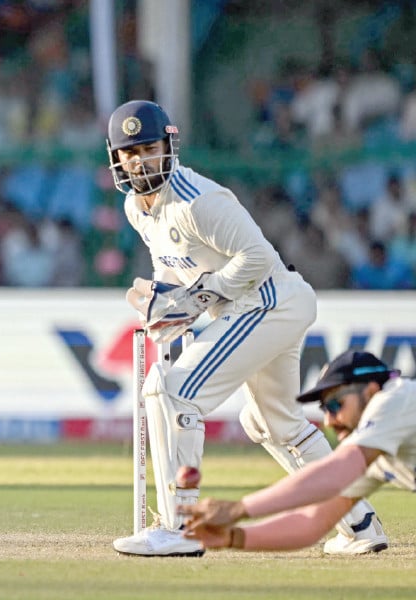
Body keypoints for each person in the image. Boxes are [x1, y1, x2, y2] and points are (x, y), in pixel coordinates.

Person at [105, 100, 386, 557]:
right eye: (129, 152)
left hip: (267, 300)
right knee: (272, 424)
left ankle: (179, 527)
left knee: (170, 390)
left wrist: (200, 297)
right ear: (116, 159)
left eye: (149, 148)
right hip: (259, 306)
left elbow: (256, 259)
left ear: (168, 147)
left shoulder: (200, 200)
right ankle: (360, 524)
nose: (140, 161)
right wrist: (167, 305)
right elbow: (172, 270)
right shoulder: (137, 208)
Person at [179, 350, 408, 553]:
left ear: (370, 392)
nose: (328, 421)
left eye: (335, 405)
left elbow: (333, 472)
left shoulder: (395, 399)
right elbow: (312, 523)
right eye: (324, 409)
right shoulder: (377, 455)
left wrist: (239, 508)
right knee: (254, 419)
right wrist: (233, 537)